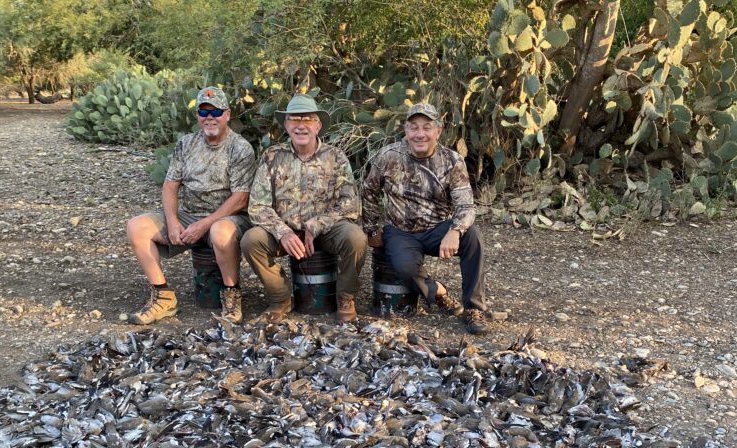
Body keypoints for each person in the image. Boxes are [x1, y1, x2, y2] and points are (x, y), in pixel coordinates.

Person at [126, 86, 257, 324]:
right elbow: (170, 186)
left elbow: (241, 197)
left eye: (216, 111)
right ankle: (163, 296)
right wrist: (174, 221)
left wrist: (205, 224)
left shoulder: (240, 148)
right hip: (189, 215)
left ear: (227, 114)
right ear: (197, 115)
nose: (210, 117)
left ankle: (231, 294)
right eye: (203, 111)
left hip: (228, 218)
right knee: (137, 226)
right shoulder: (186, 144)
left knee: (220, 230)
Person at [362, 102, 489, 334]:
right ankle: (438, 291)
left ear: (438, 131)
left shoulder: (452, 160)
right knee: (405, 268)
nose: (420, 134)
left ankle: (474, 308)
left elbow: (466, 205)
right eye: (414, 127)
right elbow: (369, 191)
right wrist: (371, 229)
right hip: (400, 230)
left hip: (438, 228)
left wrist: (455, 230)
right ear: (406, 131)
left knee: (474, 238)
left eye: (427, 127)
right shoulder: (388, 156)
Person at [242, 94, 367, 322]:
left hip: (327, 231)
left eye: (307, 119)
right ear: (286, 125)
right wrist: (283, 232)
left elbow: (350, 203)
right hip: (287, 232)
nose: (301, 126)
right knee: (251, 240)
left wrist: (317, 224)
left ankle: (346, 297)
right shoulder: (271, 157)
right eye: (294, 120)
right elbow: (258, 206)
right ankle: (280, 298)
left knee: (356, 238)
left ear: (318, 125)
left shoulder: (336, 157)